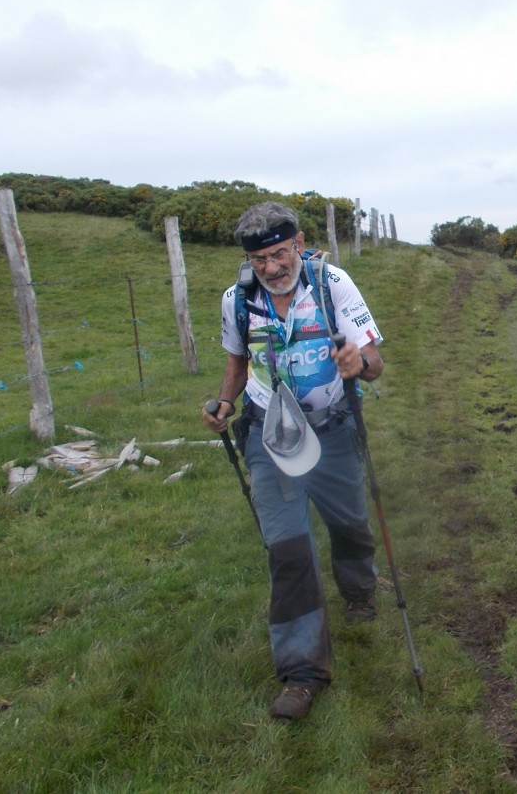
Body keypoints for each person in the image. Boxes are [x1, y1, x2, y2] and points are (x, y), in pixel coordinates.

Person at [201, 201, 383, 721]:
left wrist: (358, 362)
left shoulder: (332, 285)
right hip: (270, 434)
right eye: (260, 260)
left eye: (280, 254)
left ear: (299, 244)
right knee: (287, 548)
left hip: (333, 429)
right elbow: (238, 360)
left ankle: (360, 590)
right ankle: (302, 674)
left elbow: (375, 361)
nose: (272, 267)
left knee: (349, 523)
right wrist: (226, 403)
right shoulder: (238, 300)